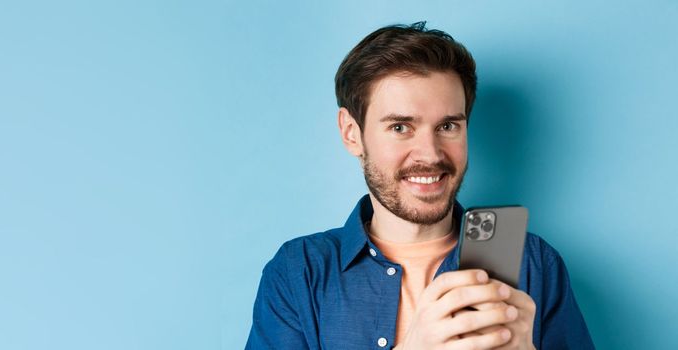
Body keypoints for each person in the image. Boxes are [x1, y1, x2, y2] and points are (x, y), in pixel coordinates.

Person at [245, 22, 594, 350]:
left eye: (448, 127)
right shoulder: (298, 272)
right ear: (352, 133)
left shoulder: (533, 262)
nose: (430, 154)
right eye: (400, 127)